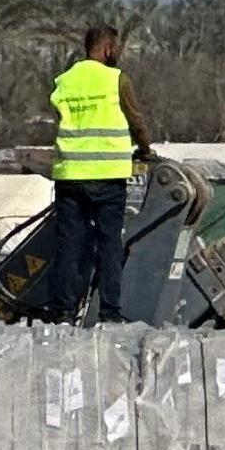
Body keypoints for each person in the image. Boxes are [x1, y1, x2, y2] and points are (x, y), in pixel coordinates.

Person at [35, 25, 150, 324]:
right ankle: (110, 312)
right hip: (109, 176)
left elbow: (63, 119)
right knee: (109, 243)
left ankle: (63, 309)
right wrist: (146, 148)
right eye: (118, 48)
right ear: (109, 49)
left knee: (69, 243)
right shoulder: (117, 79)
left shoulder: (65, 81)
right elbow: (135, 120)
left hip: (71, 176)